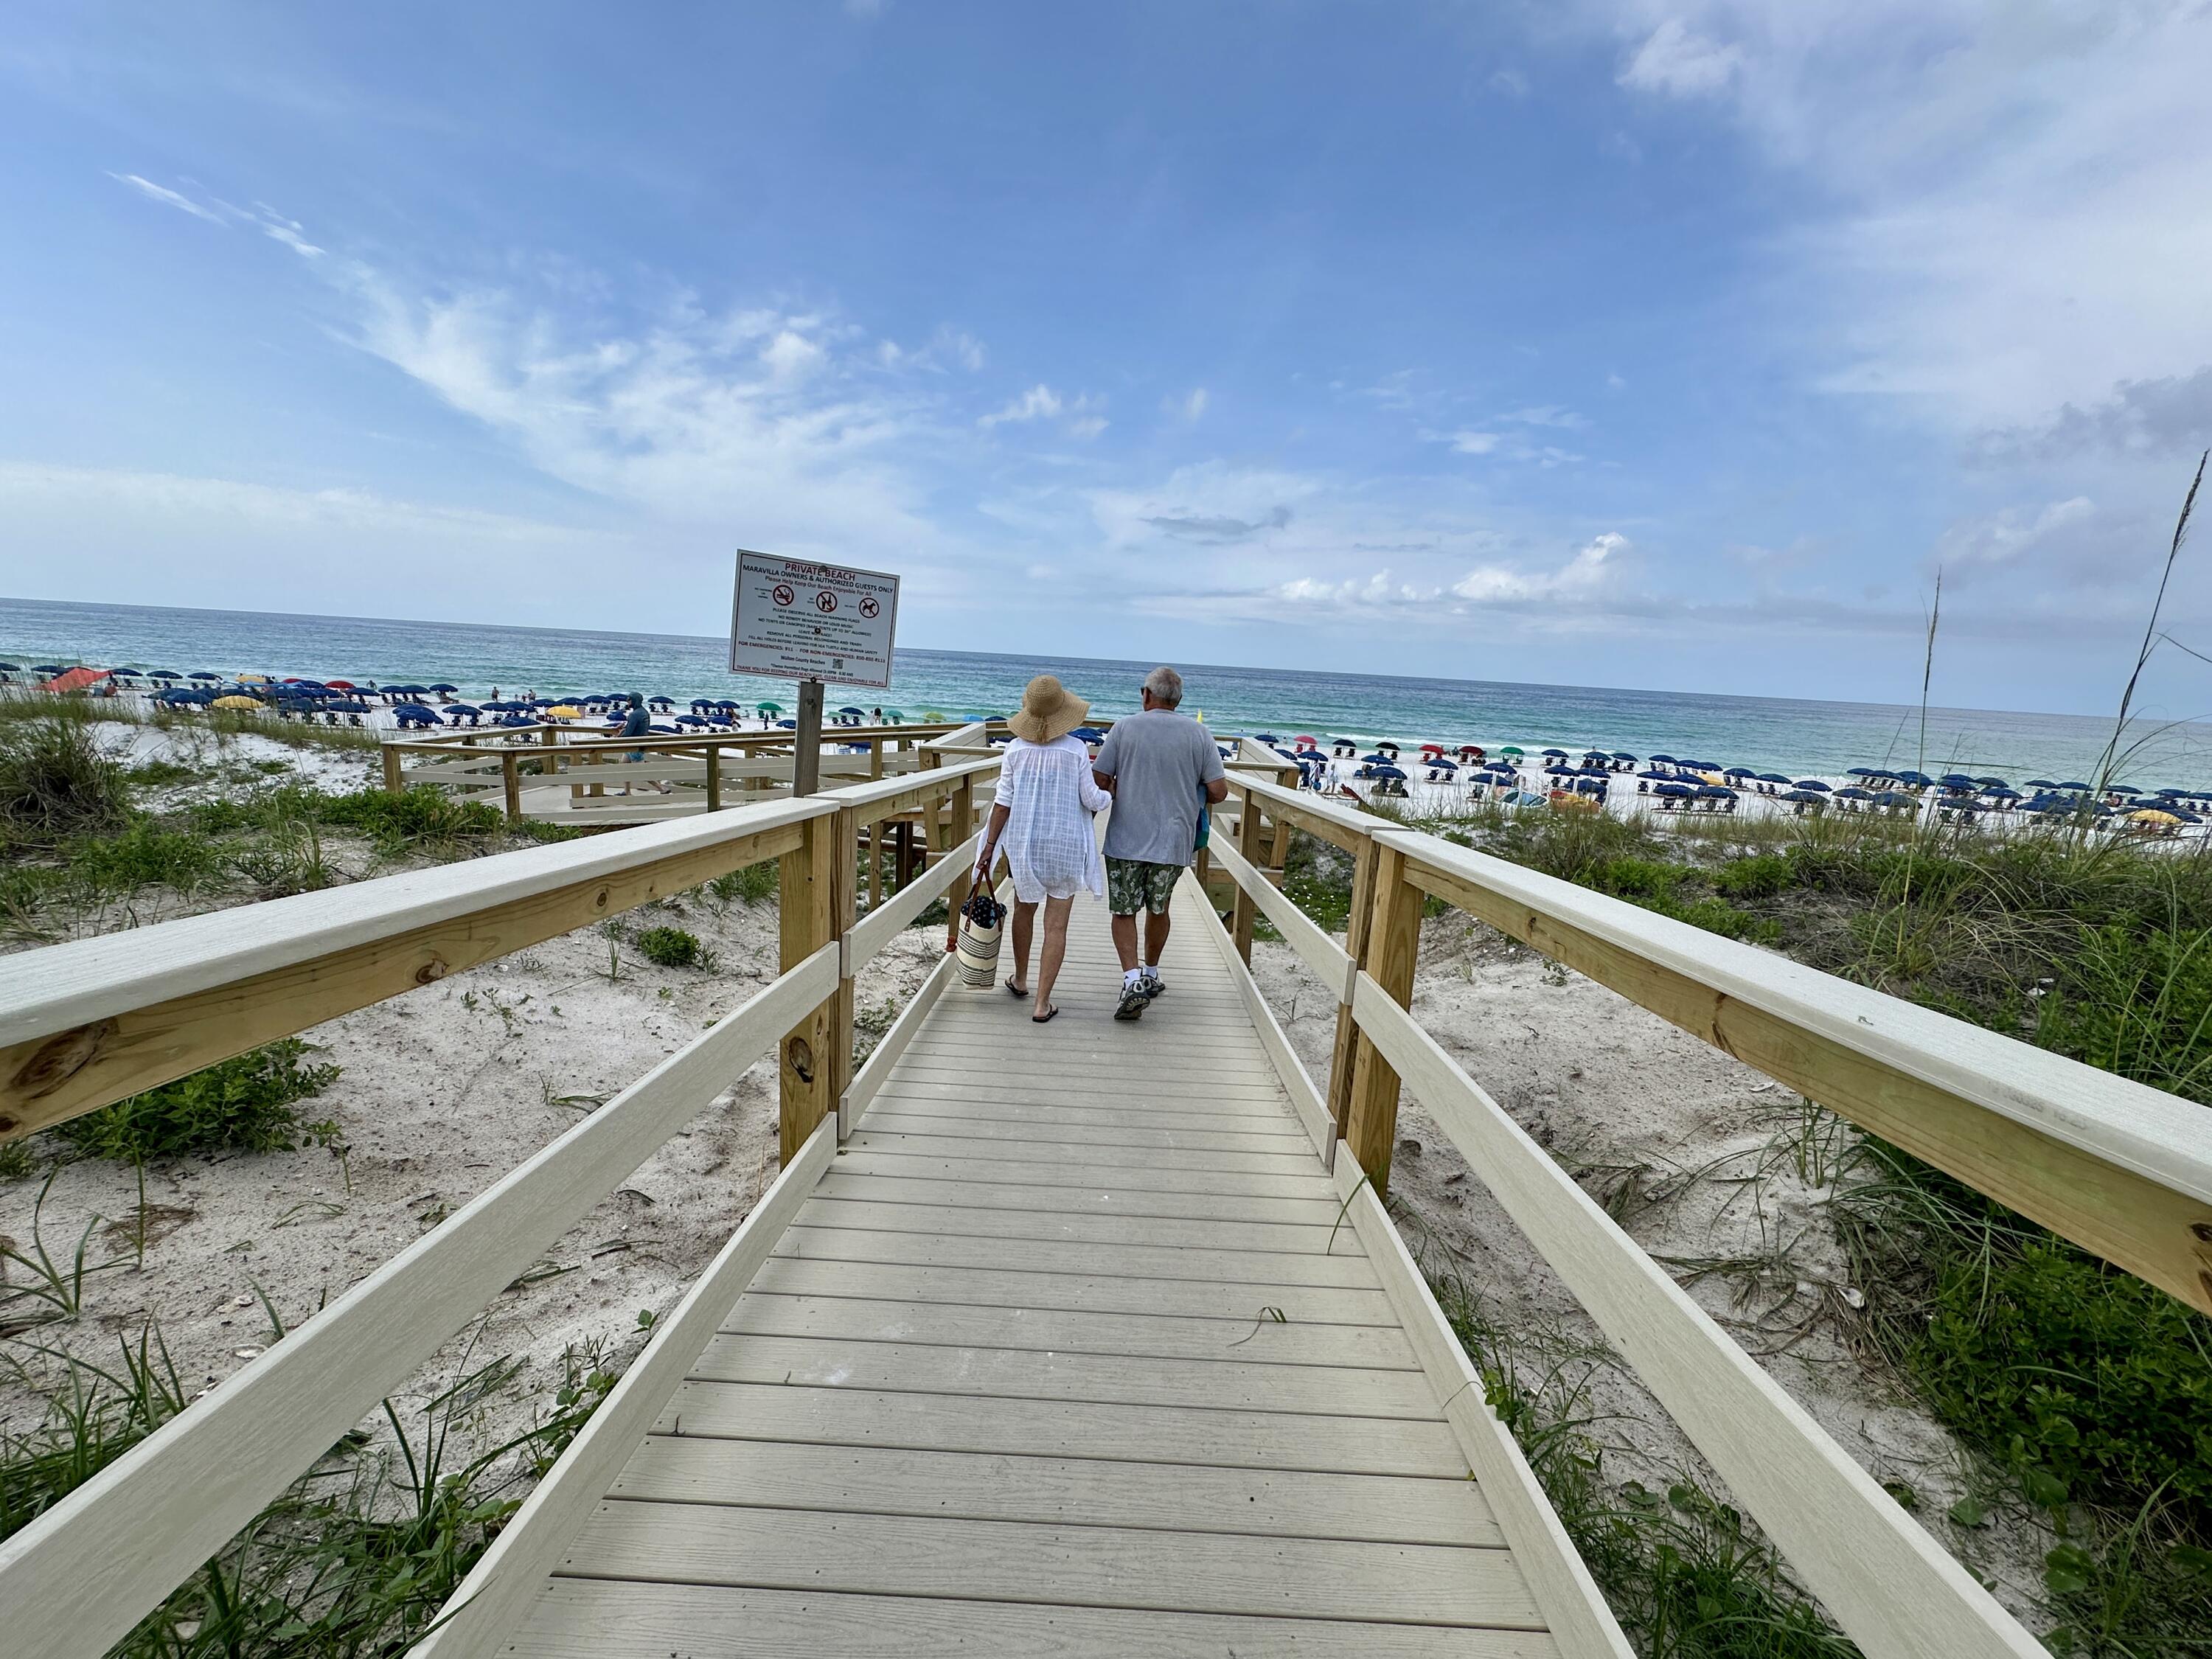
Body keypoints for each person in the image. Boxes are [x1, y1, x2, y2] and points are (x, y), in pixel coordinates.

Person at [969, 675, 1110, 1023]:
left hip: (1025, 847)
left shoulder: (1014, 750)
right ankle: (1042, 1003)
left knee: (1023, 909)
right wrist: (1110, 795)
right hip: (1065, 845)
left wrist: (989, 847)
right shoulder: (1076, 750)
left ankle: (1019, 979)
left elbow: (1002, 804)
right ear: (1063, 712)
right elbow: (1091, 799)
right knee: (1056, 926)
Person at [1091, 666, 1226, 1021]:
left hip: (1126, 839)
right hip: (1173, 840)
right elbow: (1219, 791)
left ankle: (1132, 979)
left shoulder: (1124, 727)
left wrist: (1120, 787)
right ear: (1178, 701)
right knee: (1159, 907)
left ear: (1146, 695)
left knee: (1123, 909)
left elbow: (1099, 777)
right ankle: (1151, 972)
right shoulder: (1199, 734)